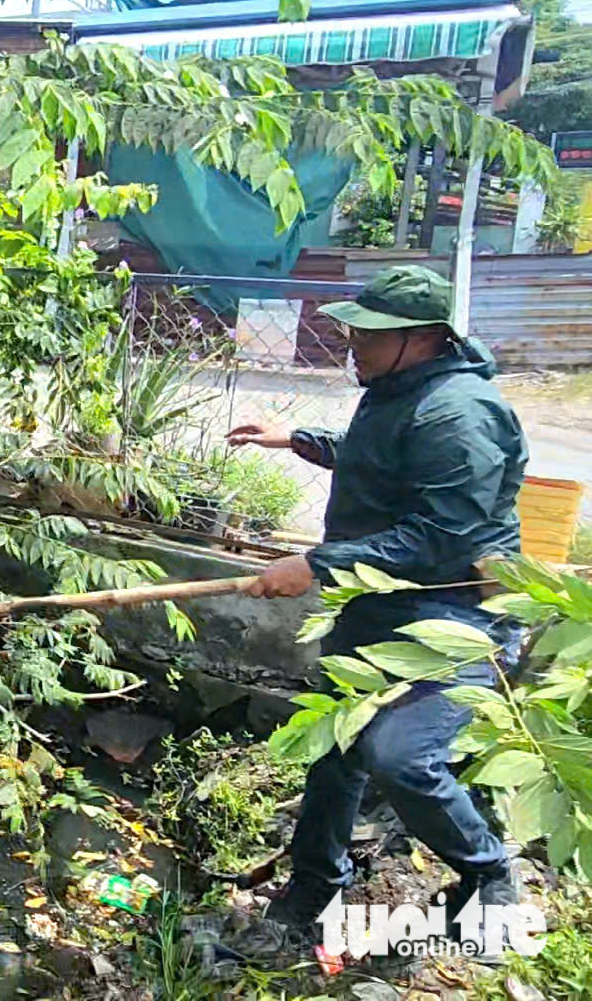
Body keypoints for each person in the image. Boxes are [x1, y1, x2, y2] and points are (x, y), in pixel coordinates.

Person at [226, 264, 528, 950]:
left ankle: (488, 874)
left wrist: (313, 564)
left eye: (368, 333)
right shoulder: (394, 388)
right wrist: (297, 440)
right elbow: (379, 461)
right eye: (354, 329)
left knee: (400, 755)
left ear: (421, 338)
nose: (351, 342)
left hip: (449, 616)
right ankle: (312, 885)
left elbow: (444, 533)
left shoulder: (459, 414)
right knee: (336, 747)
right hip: (375, 603)